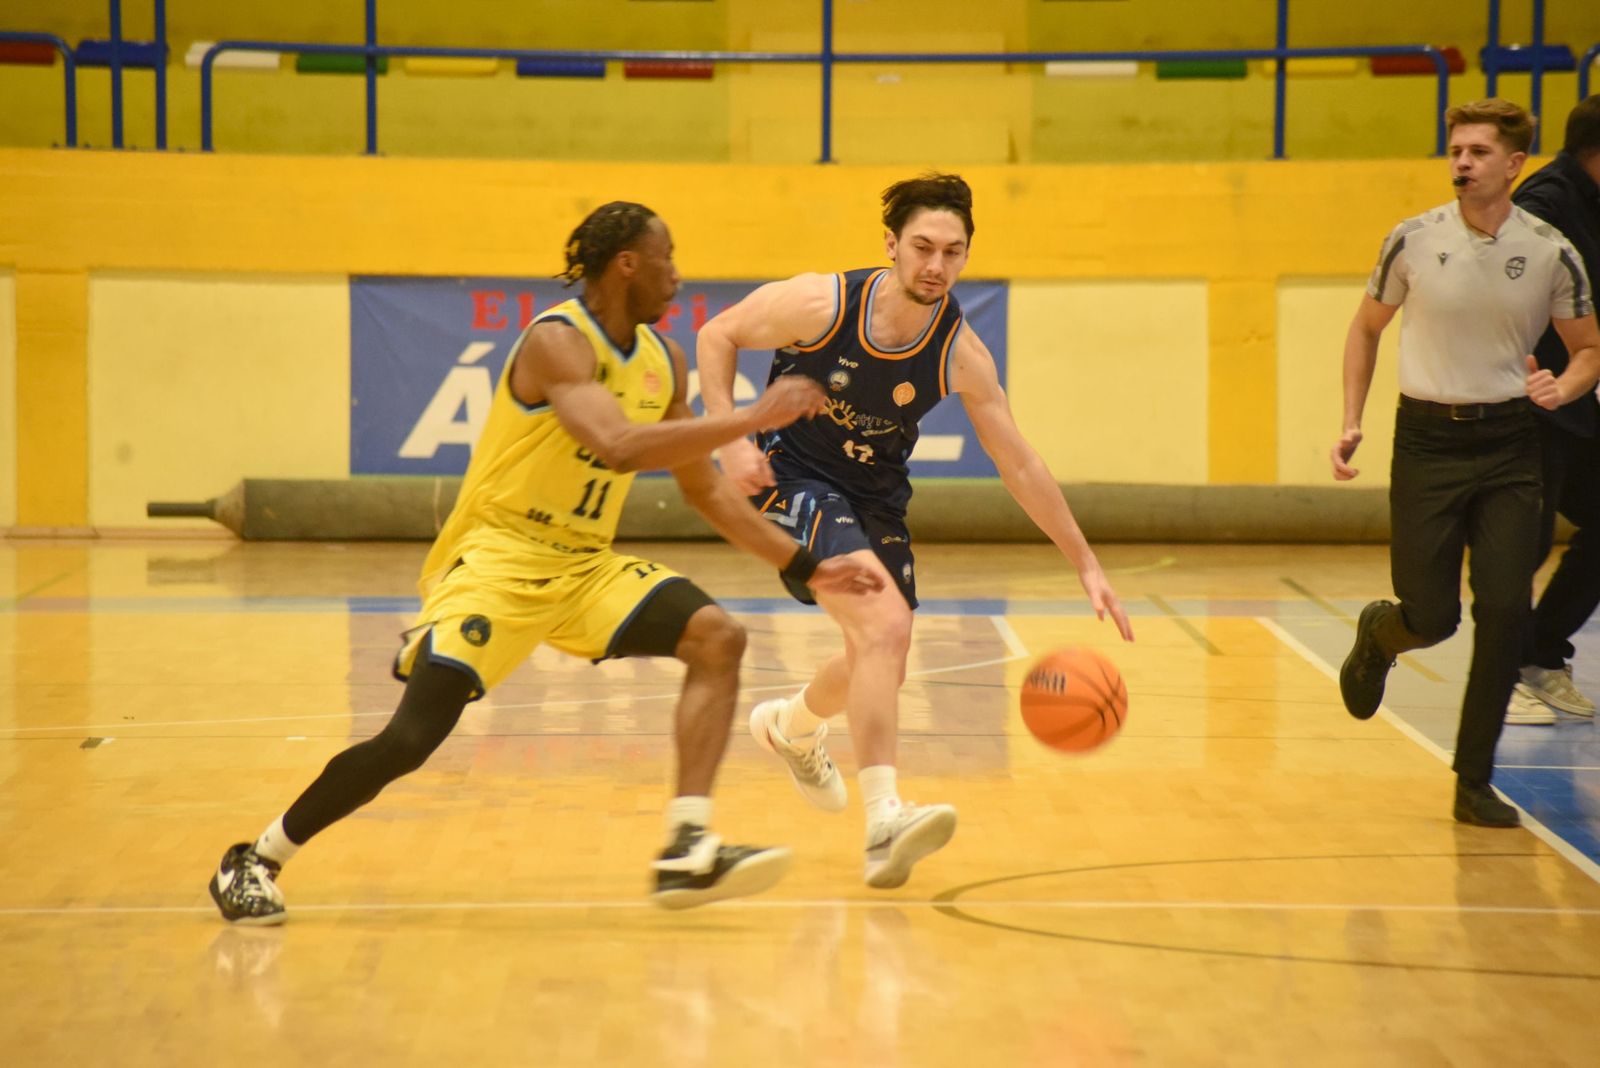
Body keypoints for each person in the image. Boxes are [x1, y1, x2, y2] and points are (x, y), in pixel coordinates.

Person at [208, 201, 884, 924]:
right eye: (668, 259)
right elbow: (617, 446)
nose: (679, 278)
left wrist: (804, 564)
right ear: (627, 262)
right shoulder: (557, 344)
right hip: (497, 559)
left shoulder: (664, 361)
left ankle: (687, 847)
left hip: (583, 566)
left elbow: (705, 489)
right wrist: (754, 415)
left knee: (717, 636)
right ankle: (257, 856)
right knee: (409, 741)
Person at [695, 173, 1134, 889]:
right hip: (792, 476)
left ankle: (794, 728)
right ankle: (884, 820)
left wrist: (1084, 561)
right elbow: (719, 333)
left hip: (875, 497)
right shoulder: (821, 302)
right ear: (892, 246)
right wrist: (730, 436)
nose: (936, 265)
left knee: (885, 649)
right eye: (923, 247)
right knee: (885, 622)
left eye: (953, 252)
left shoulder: (959, 353)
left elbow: (1017, 461)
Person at [1331, 99, 1600, 828]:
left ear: (1514, 164)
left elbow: (1587, 350)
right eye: (1456, 149)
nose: (1462, 162)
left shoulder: (1551, 250)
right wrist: (1351, 420)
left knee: (1507, 611)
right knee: (1434, 616)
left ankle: (1473, 781)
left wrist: (1564, 386)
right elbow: (1365, 330)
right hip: (1425, 442)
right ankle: (1384, 633)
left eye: (1479, 152)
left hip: (1513, 444)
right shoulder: (1412, 240)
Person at [1505, 94, 1600, 726]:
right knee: (1523, 542)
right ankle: (1506, 671)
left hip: (1576, 402)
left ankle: (1539, 655)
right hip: (1530, 404)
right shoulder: (1545, 203)